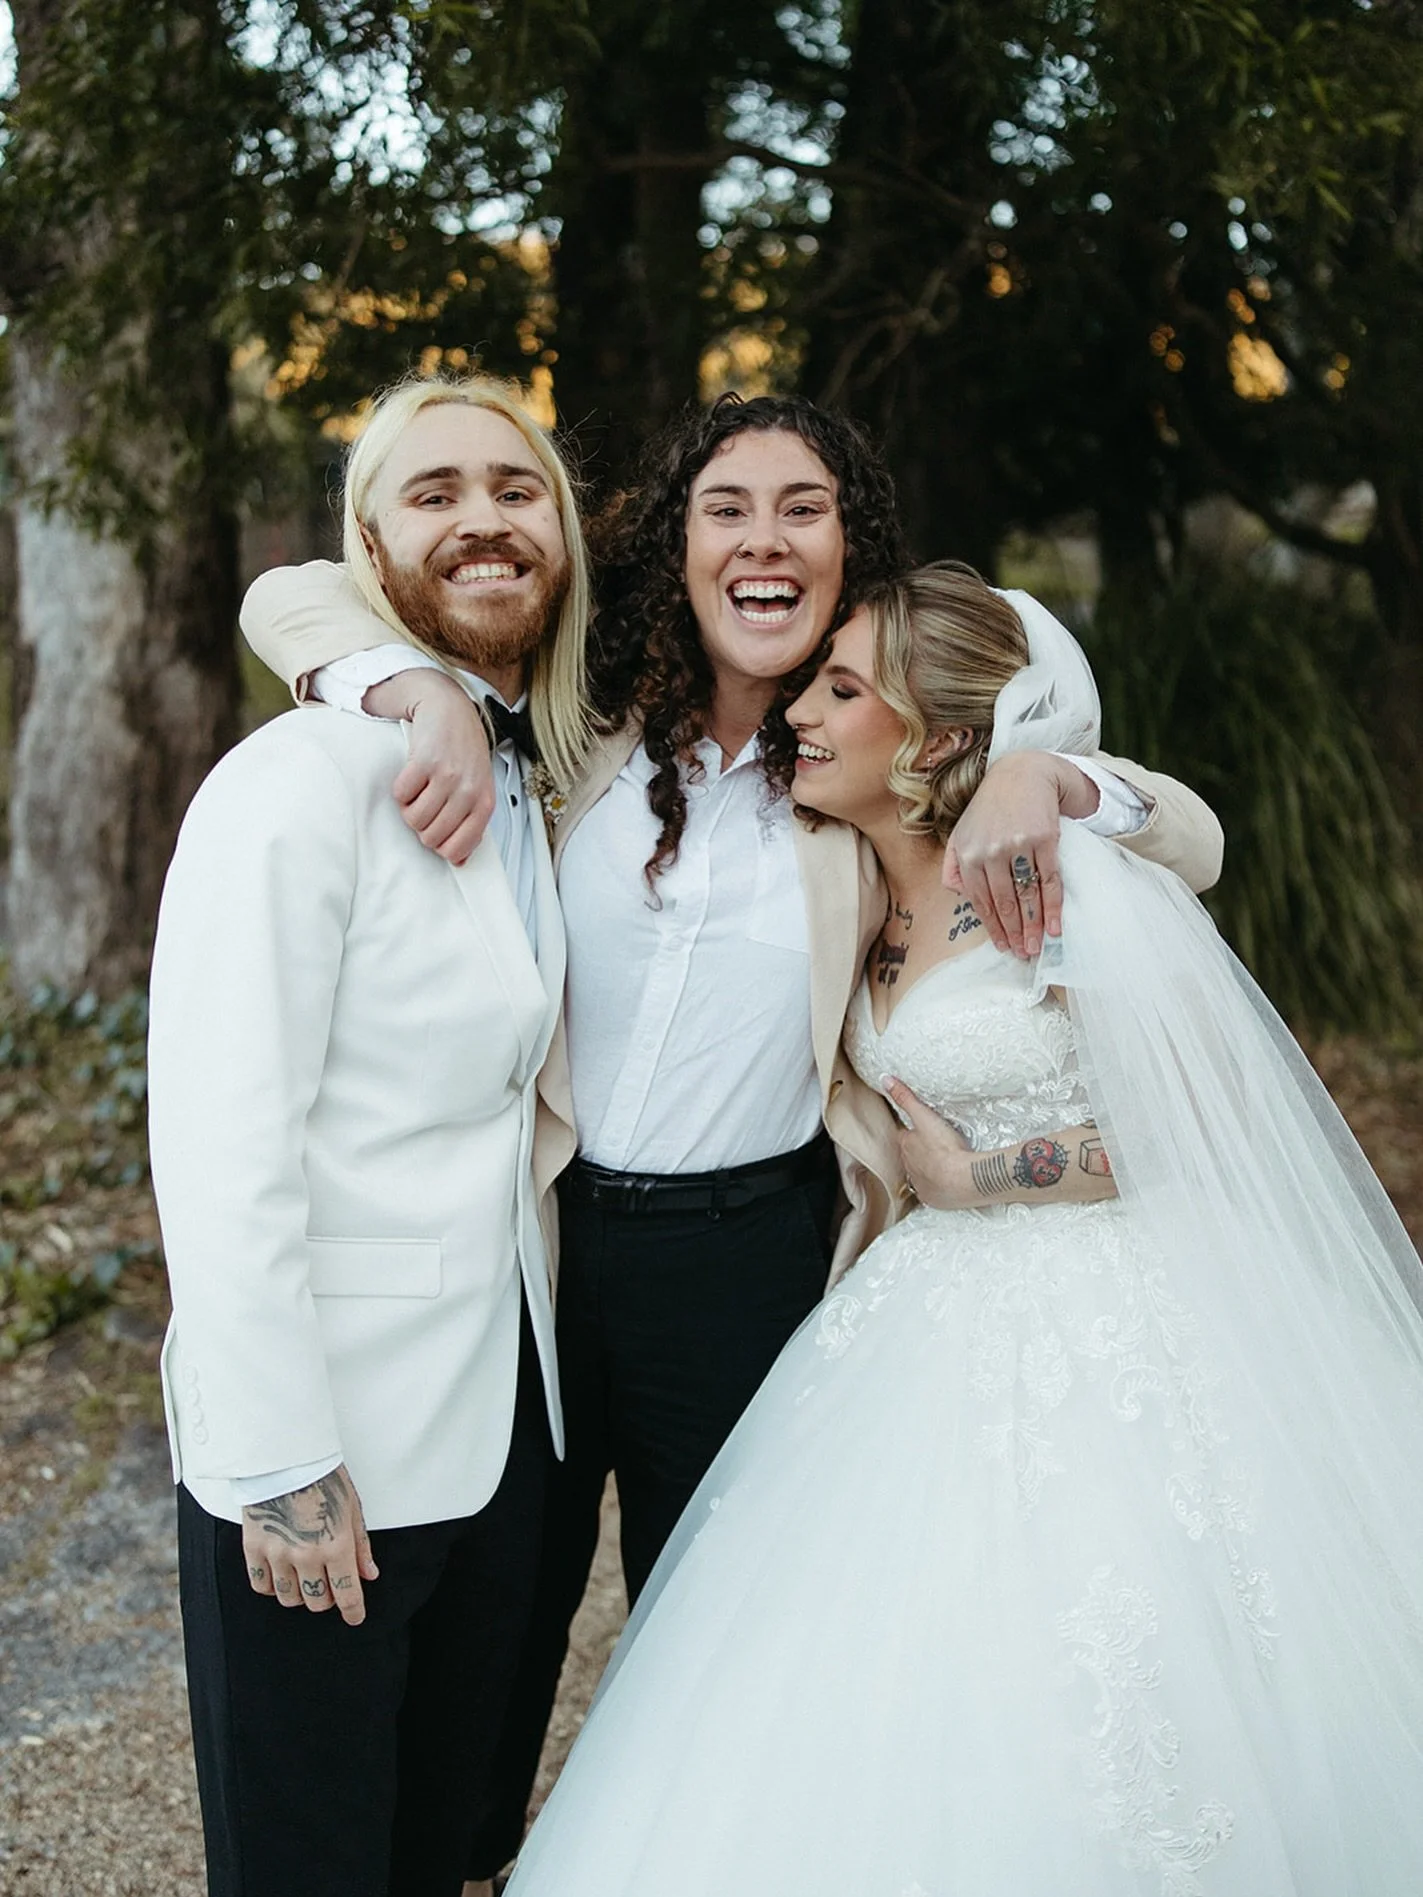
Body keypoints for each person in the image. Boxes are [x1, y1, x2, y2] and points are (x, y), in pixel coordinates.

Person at [240, 397, 1224, 1881]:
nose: (764, 540)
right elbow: (291, 592)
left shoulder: (867, 762)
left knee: (727, 1636)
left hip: (760, 1260)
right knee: (494, 1629)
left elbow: (1192, 842)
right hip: (549, 1255)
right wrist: (408, 689)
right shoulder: (575, 721)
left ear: (851, 550)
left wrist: (1049, 774)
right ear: (674, 543)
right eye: (726, 509)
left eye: (804, 509)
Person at [496, 564, 1423, 1897]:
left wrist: (985, 1176)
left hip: (1117, 1311)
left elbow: (1201, 1113)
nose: (794, 714)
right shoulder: (856, 886)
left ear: (931, 737)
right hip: (913, 1313)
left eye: (838, 690)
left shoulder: (1045, 881)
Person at [146, 371, 592, 1897]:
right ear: (368, 546)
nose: (483, 519)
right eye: (435, 492)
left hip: (491, 1440)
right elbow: (217, 1142)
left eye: (516, 489)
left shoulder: (540, 775)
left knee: (433, 1855)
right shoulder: (292, 788)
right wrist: (276, 1459)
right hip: (325, 1452)